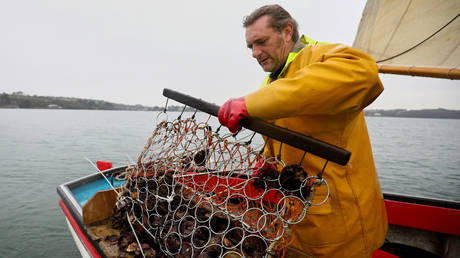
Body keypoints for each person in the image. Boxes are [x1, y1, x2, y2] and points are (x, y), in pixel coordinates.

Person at [218, 4, 388, 258]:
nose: (255, 52)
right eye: (250, 46)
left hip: (339, 225)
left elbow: (366, 75)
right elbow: (283, 137)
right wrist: (267, 163)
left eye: (261, 42)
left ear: (287, 32)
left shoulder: (323, 57)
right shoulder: (273, 81)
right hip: (295, 218)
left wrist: (250, 103)